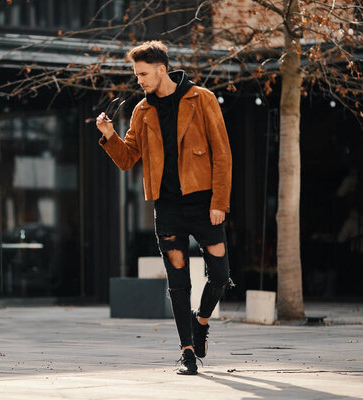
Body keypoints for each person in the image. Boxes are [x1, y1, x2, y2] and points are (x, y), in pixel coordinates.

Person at [96, 41, 233, 375]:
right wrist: (109, 135)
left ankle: (200, 323)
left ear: (161, 69)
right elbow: (129, 159)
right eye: (136, 74)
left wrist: (219, 203)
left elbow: (223, 155)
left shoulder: (202, 99)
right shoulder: (142, 111)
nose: (139, 80)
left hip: (203, 204)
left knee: (220, 274)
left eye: (143, 73)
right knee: (178, 281)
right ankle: (187, 352)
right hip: (167, 207)